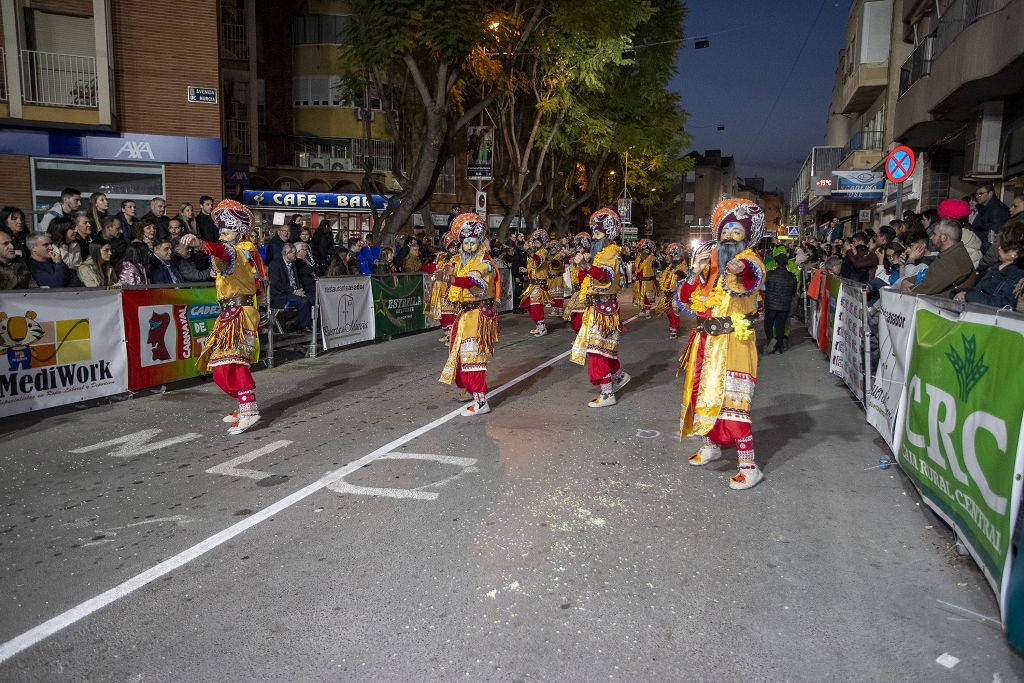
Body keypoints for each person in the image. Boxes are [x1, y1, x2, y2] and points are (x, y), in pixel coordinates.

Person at [675, 198, 767, 491]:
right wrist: (695, 270)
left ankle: (749, 467)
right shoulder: (711, 264)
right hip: (704, 342)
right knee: (700, 396)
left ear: (747, 237)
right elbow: (686, 298)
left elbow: (752, 276)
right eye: (725, 231)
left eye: (736, 232)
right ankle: (710, 445)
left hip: (733, 344)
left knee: (733, 404)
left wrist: (738, 266)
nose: (729, 236)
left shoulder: (751, 260)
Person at [180, 200, 267, 434]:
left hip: (240, 313)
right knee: (219, 367)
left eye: (227, 231)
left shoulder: (238, 252)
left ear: (238, 233)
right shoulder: (236, 254)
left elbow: (220, 250)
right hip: (230, 313)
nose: (223, 236)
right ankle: (244, 403)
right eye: (221, 232)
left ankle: (249, 409)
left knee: (234, 362)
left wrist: (199, 243)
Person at [435, 213, 500, 416]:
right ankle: (473, 392)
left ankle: (481, 401)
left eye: (473, 243)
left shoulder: (483, 261)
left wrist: (450, 278)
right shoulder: (462, 262)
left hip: (477, 316)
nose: (469, 247)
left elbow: (471, 282)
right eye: (466, 243)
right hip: (464, 316)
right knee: (462, 357)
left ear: (479, 242)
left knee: (473, 358)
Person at [570, 208, 630, 408]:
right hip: (596, 307)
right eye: (593, 233)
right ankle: (619, 376)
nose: (594, 238)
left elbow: (603, 275)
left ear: (608, 235)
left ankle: (607, 393)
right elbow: (587, 279)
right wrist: (583, 266)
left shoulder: (611, 253)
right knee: (603, 349)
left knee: (597, 351)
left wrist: (586, 265)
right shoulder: (599, 255)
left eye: (598, 234)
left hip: (604, 309)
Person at [953, 221, 1024, 309]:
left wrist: (970, 296)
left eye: (1004, 246)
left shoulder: (1019, 274)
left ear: (1016, 252)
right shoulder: (996, 266)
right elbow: (978, 289)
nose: (999, 248)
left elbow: (1006, 304)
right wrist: (962, 293)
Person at [903, 219, 975, 296]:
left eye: (934, 234)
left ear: (944, 238)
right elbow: (927, 274)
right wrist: (907, 281)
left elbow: (927, 287)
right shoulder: (949, 254)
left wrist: (910, 289)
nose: (931, 237)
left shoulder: (954, 259)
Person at [423, 232, 460, 343]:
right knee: (442, 313)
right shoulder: (441, 257)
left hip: (452, 288)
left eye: (455, 247)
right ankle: (447, 333)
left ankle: (452, 334)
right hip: (440, 289)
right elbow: (432, 268)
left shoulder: (459, 258)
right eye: (451, 247)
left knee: (451, 312)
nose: (453, 249)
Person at [269, 242, 314, 331]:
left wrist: (300, 289)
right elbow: (277, 284)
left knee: (313, 299)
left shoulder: (293, 264)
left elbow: (297, 280)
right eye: (294, 253)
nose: (296, 255)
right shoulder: (275, 264)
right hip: (280, 295)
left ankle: (304, 324)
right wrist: (294, 291)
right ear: (287, 253)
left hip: (293, 293)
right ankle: (304, 326)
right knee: (304, 301)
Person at [763, 253, 798, 354]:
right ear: (787, 264)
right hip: (784, 305)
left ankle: (770, 340)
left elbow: (764, 288)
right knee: (780, 326)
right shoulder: (792, 276)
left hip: (771, 304)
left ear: (776, 263)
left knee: (768, 324)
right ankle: (779, 347)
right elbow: (793, 291)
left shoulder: (770, 274)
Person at [521, 229, 552, 336]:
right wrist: (526, 270)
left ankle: (542, 328)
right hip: (533, 284)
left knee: (536, 306)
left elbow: (538, 260)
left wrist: (529, 250)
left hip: (539, 285)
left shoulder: (543, 252)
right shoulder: (536, 252)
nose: (535, 244)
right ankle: (538, 327)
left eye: (537, 242)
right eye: (534, 242)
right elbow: (533, 266)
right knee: (529, 305)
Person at [654, 242, 688, 339]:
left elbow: (687, 276)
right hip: (667, 294)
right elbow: (662, 274)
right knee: (669, 313)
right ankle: (675, 324)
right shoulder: (669, 267)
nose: (674, 257)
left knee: (674, 312)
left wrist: (681, 272)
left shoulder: (683, 266)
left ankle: (673, 330)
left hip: (676, 294)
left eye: (676, 255)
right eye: (672, 255)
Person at [563, 231, 593, 333]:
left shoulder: (588, 256)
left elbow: (585, 275)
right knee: (574, 318)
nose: (578, 248)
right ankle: (580, 339)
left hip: (585, 291)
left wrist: (582, 263)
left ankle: (584, 339)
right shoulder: (577, 256)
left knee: (580, 317)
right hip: (577, 291)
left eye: (580, 245)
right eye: (577, 246)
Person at [971, 183, 1010, 253]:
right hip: (980, 246)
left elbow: (994, 236)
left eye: (980, 194)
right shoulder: (984, 207)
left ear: (990, 193)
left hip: (986, 250)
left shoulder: (997, 209)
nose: (977, 196)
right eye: (976, 194)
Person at [631, 238, 659, 318]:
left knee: (647, 295)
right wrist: (634, 274)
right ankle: (642, 310)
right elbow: (635, 267)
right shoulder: (639, 257)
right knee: (640, 295)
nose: (645, 251)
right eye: (644, 249)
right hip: (638, 280)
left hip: (648, 281)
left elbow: (658, 266)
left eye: (647, 249)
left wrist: (656, 263)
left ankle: (647, 311)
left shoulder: (652, 258)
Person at [546, 240, 566, 317]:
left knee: (559, 294)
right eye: (551, 248)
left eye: (554, 248)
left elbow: (557, 264)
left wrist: (551, 260)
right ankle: (554, 309)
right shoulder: (549, 255)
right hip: (551, 278)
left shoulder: (559, 255)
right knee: (552, 295)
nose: (552, 249)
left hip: (558, 277)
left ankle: (559, 310)